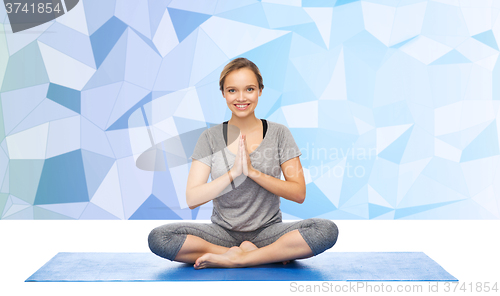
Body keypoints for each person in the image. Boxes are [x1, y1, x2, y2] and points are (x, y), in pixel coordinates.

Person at [148, 57, 338, 269]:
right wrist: (234, 173)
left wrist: (252, 172)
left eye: (249, 89)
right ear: (223, 93)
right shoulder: (210, 138)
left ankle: (239, 258)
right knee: (160, 238)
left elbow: (298, 193)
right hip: (221, 234)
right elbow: (193, 198)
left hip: (268, 232)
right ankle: (255, 255)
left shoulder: (279, 133)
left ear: (260, 91)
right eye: (232, 90)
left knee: (325, 230)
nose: (241, 98)